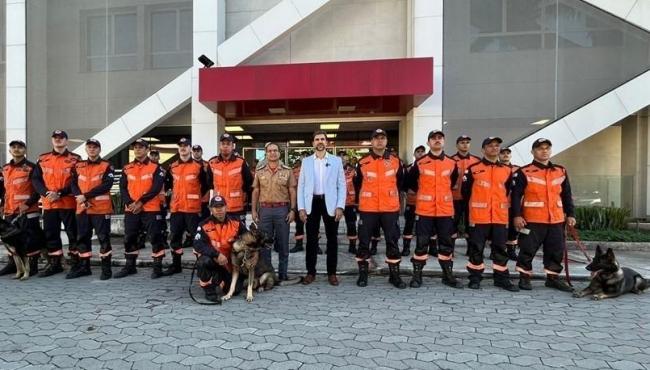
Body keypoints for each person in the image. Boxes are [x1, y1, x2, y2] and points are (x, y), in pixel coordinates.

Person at [512, 138, 576, 292]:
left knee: (555, 251)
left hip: (556, 220)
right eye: (540, 148)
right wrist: (517, 216)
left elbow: (567, 195)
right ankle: (524, 277)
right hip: (532, 220)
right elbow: (515, 196)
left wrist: (571, 214)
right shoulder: (523, 172)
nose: (544, 151)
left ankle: (552, 278)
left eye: (547, 148)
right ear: (533, 152)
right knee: (527, 249)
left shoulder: (560, 171)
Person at [462, 137, 518, 291]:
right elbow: (465, 193)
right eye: (490, 146)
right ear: (483, 150)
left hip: (500, 217)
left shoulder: (507, 170)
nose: (494, 148)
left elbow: (509, 193)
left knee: (500, 249)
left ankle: (501, 279)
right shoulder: (473, 169)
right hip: (479, 217)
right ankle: (475, 278)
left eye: (497, 145)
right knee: (476, 249)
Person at [406, 130, 461, 289]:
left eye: (440, 138)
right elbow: (411, 182)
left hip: (444, 211)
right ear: (428, 142)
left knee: (446, 244)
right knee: (422, 244)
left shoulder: (452, 163)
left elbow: (451, 183)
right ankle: (417, 276)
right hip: (425, 210)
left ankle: (447, 275)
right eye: (433, 138)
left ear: (444, 142)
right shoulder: (420, 162)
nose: (437, 141)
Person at [354, 129, 406, 289]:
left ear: (386, 141)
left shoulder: (397, 162)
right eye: (376, 138)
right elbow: (357, 185)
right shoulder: (362, 162)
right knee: (364, 242)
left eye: (382, 138)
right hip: (368, 209)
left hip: (389, 209)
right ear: (372, 142)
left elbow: (401, 184)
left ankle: (394, 276)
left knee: (392, 241)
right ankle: (363, 274)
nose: (379, 141)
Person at [297, 131, 346, 286]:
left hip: (330, 203)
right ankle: (311, 272)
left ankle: (332, 273)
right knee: (311, 240)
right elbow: (301, 186)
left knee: (332, 239)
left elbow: (342, 185)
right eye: (317, 139)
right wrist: (301, 208)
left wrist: (340, 206)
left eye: (322, 139)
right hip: (312, 203)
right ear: (313, 143)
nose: (320, 141)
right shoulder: (306, 162)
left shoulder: (336, 161)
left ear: (327, 143)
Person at [32, 130, 81, 277]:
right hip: (49, 204)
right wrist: (47, 193)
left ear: (67, 141)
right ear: (52, 140)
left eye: (61, 138)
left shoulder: (75, 159)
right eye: (55, 138)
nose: (58, 140)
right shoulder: (43, 159)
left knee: (73, 234)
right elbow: (36, 179)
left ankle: (76, 262)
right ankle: (55, 264)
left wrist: (59, 193)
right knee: (51, 234)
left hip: (68, 203)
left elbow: (77, 181)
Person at [115, 138, 166, 279]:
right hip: (131, 209)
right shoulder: (127, 168)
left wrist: (140, 202)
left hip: (151, 208)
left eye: (141, 147)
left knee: (155, 237)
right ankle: (130, 267)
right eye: (135, 147)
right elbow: (123, 188)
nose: (138, 149)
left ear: (147, 150)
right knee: (129, 237)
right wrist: (130, 203)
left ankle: (158, 268)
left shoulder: (156, 168)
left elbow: (155, 188)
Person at [68, 138, 114, 280]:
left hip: (101, 209)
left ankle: (106, 270)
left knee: (103, 238)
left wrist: (85, 196)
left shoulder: (107, 165)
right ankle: (84, 267)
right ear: (86, 149)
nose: (92, 149)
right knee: (82, 238)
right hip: (82, 209)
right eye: (89, 147)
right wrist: (78, 196)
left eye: (95, 147)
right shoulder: (78, 166)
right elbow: (73, 184)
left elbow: (107, 185)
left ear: (99, 150)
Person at [163, 137, 209, 276]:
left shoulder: (199, 166)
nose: (183, 148)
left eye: (186, 146)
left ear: (190, 148)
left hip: (193, 209)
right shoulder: (172, 167)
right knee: (175, 238)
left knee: (197, 238)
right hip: (177, 209)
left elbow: (206, 186)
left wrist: (201, 203)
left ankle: (202, 266)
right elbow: (168, 186)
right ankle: (176, 265)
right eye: (180, 146)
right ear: (178, 149)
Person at [251, 142, 296, 281]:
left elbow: (292, 190)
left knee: (283, 244)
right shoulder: (260, 171)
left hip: (282, 210)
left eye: (275, 150)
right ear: (266, 153)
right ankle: (267, 274)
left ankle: (283, 274)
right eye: (270, 151)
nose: (273, 153)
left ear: (279, 153)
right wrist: (253, 210)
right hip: (264, 210)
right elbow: (256, 191)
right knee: (264, 245)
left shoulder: (287, 171)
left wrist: (293, 210)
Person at [0, 140, 43, 276]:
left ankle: (33, 264)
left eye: (20, 147)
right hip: (9, 210)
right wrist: (2, 205)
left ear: (25, 150)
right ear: (10, 150)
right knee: (10, 239)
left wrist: (28, 204)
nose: (16, 149)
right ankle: (13, 264)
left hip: (27, 210)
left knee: (31, 238)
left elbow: (38, 189)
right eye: (14, 147)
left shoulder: (32, 167)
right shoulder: (5, 168)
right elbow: (3, 190)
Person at [193, 195, 247, 303]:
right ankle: (209, 290)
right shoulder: (204, 224)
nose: (219, 210)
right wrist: (216, 254)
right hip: (214, 261)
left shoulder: (236, 223)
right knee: (203, 261)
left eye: (221, 206)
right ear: (210, 209)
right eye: (215, 207)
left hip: (229, 264)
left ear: (226, 207)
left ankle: (220, 280)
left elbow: (247, 239)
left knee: (235, 291)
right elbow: (197, 244)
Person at [207, 133, 253, 223]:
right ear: (219, 146)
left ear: (233, 146)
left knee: (239, 236)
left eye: (228, 144)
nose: (225, 146)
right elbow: (209, 184)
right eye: (223, 144)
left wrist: (246, 202)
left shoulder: (241, 162)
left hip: (237, 207)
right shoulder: (212, 163)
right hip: (218, 207)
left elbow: (249, 183)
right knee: (220, 235)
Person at [451, 135, 481, 245]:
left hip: (472, 198)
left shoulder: (477, 161)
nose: (465, 144)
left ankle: (471, 249)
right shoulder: (451, 160)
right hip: (455, 197)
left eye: (467, 142)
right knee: (453, 223)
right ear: (457, 145)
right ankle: (450, 249)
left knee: (471, 223)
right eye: (462, 142)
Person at [401, 145, 426, 257]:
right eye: (418, 152)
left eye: (422, 152)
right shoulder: (408, 168)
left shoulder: (428, 167)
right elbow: (403, 183)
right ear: (414, 154)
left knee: (423, 227)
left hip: (425, 203)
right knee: (409, 225)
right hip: (411, 202)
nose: (420, 154)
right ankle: (406, 248)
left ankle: (423, 248)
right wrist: (408, 190)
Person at [499, 147, 520, 261]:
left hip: (514, 204)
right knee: (499, 229)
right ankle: (497, 250)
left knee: (513, 228)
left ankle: (511, 251)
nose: (505, 155)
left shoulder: (518, 169)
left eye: (508, 153)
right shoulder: (495, 168)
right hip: (499, 204)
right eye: (503, 153)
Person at [191, 144, 211, 220]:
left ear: (202, 152)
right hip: (192, 199)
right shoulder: (188, 165)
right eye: (194, 151)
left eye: (198, 151)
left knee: (205, 221)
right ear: (192, 152)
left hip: (205, 199)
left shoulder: (207, 165)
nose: (196, 152)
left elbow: (211, 181)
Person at [289, 159, 305, 253]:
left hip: (308, 202)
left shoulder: (307, 171)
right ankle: (299, 245)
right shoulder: (291, 172)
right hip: (297, 202)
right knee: (299, 225)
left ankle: (316, 246)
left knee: (312, 225)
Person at [343, 159, 358, 254]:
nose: (342, 159)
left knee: (351, 225)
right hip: (337, 203)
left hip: (350, 203)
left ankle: (352, 246)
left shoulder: (353, 171)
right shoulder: (333, 169)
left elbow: (358, 185)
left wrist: (357, 201)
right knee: (332, 226)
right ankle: (330, 247)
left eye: (343, 157)